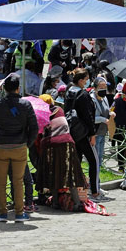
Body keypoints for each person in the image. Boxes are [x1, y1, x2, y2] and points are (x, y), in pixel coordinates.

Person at [0, 74, 38, 222]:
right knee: (18, 181)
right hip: (19, 146)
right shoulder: (25, 105)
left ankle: (2, 213)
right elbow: (34, 128)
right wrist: (28, 143)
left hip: (0, 147)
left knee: (0, 182)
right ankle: (19, 213)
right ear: (18, 88)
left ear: (4, 89)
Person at [37, 102, 87, 209]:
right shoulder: (59, 110)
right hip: (68, 143)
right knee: (70, 174)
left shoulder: (42, 117)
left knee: (53, 172)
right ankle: (77, 202)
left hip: (50, 146)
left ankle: (55, 202)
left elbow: (42, 135)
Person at [64, 68, 101, 201]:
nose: (87, 82)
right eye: (86, 80)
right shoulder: (83, 94)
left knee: (77, 162)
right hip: (84, 133)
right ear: (80, 80)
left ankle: (77, 190)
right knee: (94, 161)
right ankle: (95, 191)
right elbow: (88, 116)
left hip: (73, 132)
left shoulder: (69, 91)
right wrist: (92, 134)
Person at [90, 77, 115, 189]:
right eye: (101, 87)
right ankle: (95, 187)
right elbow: (92, 118)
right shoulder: (92, 99)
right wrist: (103, 119)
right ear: (95, 88)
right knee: (95, 162)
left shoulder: (104, 98)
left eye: (105, 87)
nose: (104, 89)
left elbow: (106, 110)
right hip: (94, 134)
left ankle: (97, 185)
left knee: (99, 161)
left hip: (103, 132)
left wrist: (111, 113)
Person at [111, 83, 126, 172]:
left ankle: (121, 166)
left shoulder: (117, 100)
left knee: (120, 147)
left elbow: (110, 111)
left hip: (119, 127)